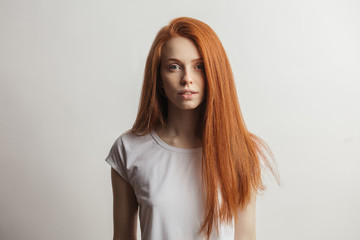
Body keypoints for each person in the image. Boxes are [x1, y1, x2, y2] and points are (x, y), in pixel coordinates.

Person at [105, 16, 278, 240]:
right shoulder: (128, 150)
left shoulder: (241, 151)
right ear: (158, 77)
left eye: (199, 66)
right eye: (174, 67)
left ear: (214, 73)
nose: (187, 79)